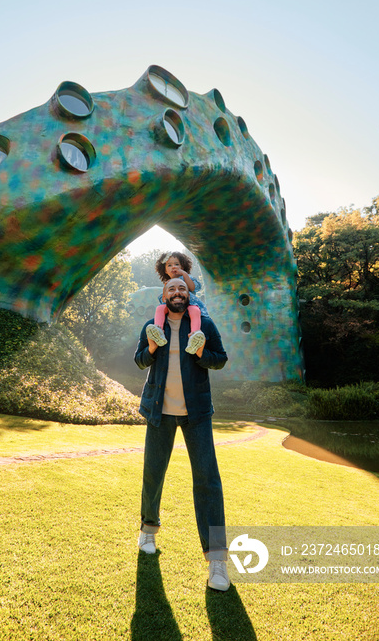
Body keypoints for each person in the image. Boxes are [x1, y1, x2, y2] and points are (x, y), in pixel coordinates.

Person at [134, 276, 230, 591]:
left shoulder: (205, 326)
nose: (178, 292)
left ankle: (217, 560)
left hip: (197, 415)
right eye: (172, 288)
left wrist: (202, 353)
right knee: (153, 474)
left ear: (189, 295)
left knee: (208, 481)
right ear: (164, 296)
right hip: (159, 411)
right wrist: (150, 346)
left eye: (183, 288)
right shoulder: (153, 325)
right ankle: (148, 528)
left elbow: (220, 360)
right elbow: (140, 360)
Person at [145, 251, 208, 355]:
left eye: (177, 264)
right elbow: (165, 300)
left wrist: (184, 274)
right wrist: (166, 288)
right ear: (165, 270)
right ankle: (158, 330)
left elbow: (192, 287)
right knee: (160, 308)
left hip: (190, 303)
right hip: (173, 306)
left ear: (183, 266)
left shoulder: (185, 277)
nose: (173, 267)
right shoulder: (167, 283)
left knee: (195, 311)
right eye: (169, 265)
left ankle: (195, 335)